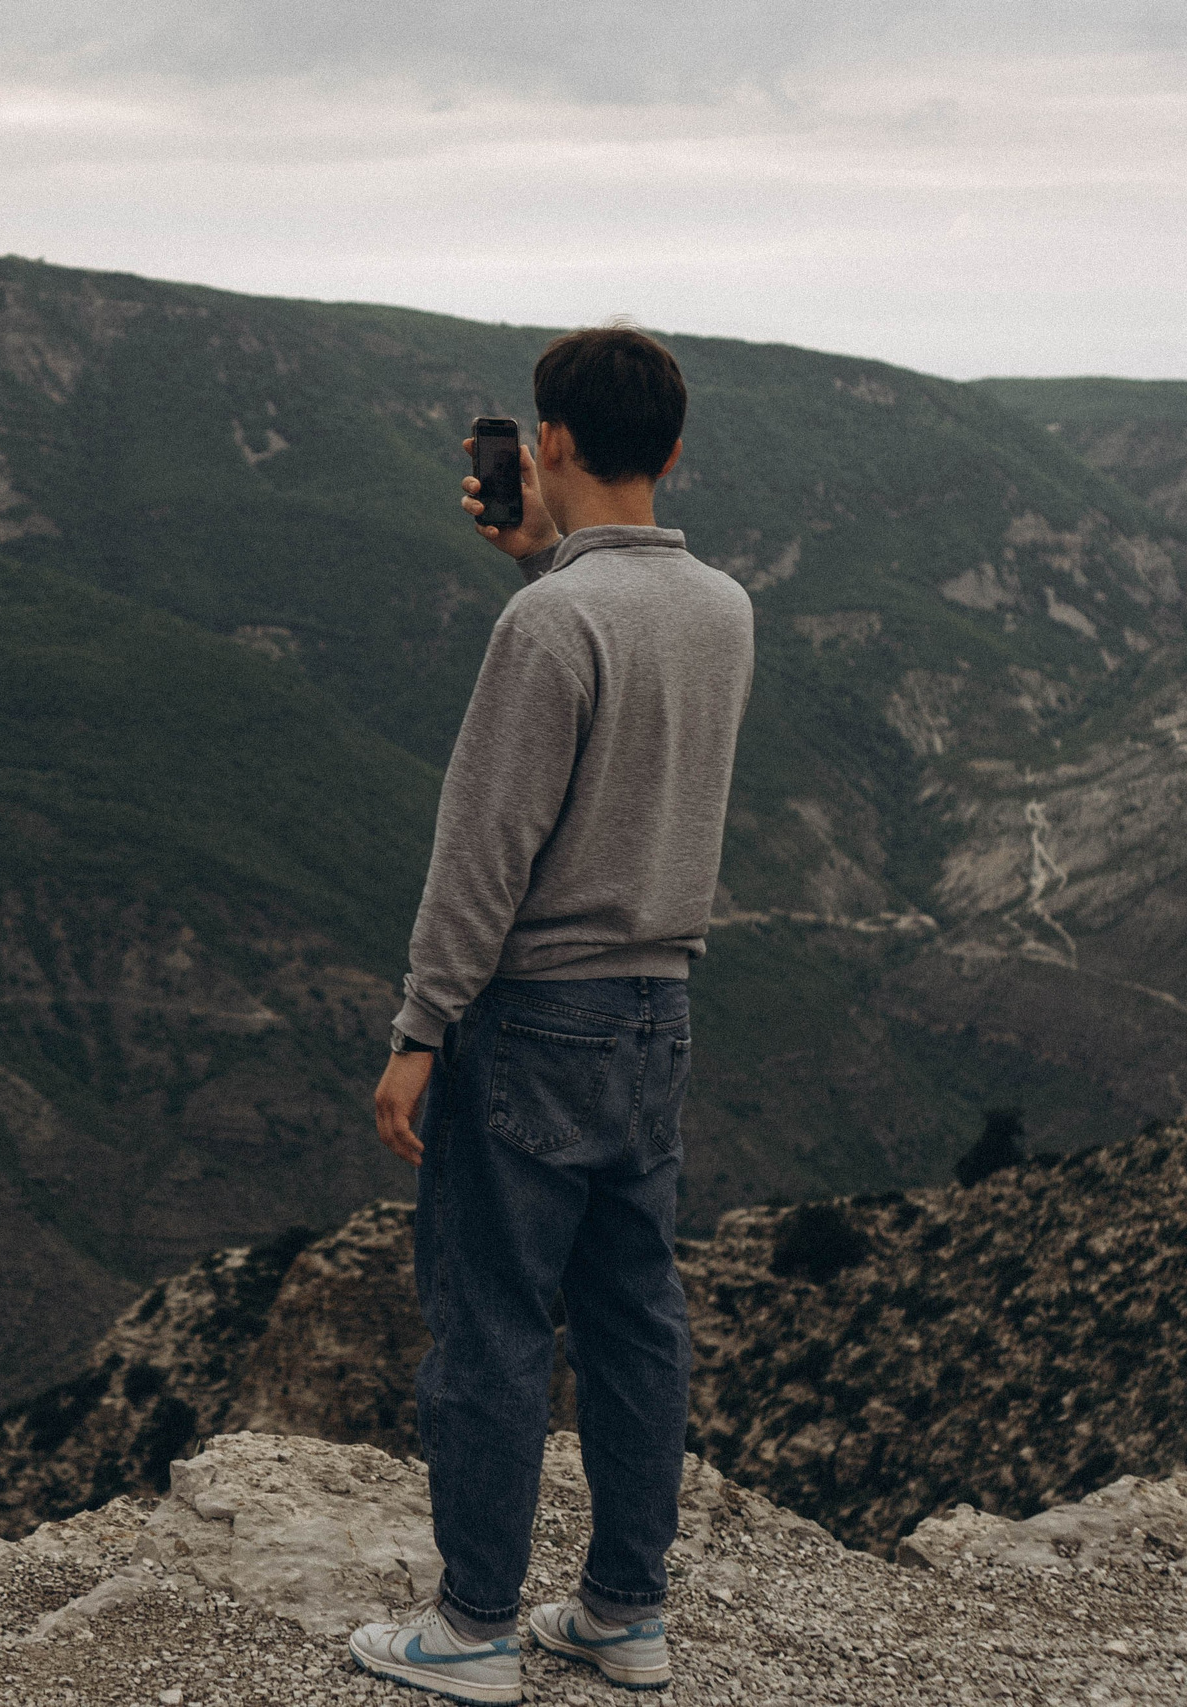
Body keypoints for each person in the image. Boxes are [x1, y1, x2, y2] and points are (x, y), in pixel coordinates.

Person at [347, 326, 754, 1703]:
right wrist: (542, 554)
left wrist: (418, 1029)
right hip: (659, 1011)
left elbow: (487, 847)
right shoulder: (722, 609)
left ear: (550, 448)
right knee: (636, 1316)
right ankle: (624, 1612)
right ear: (677, 450)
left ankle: (472, 1630)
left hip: (532, 1018)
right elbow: (628, 701)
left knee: (493, 1322)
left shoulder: (549, 626)